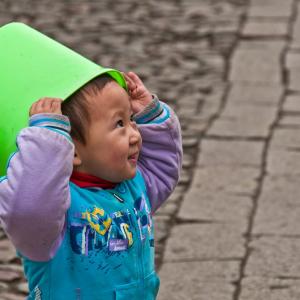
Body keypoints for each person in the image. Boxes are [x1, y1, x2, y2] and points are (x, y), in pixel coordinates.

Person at [0, 71, 182, 299]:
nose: (135, 134)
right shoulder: (54, 214)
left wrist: (150, 115)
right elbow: (29, 207)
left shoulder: (133, 186)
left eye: (131, 120)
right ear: (73, 151)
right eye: (119, 124)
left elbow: (162, 167)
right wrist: (47, 139)